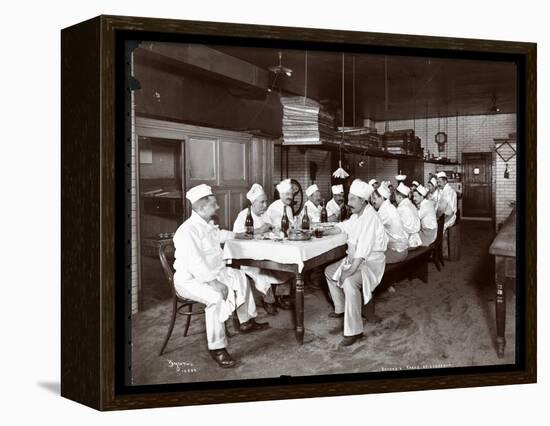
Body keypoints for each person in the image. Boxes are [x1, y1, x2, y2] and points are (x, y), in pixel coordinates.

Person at [173, 184, 269, 368]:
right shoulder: (187, 231)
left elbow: (219, 235)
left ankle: (246, 322)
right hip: (189, 280)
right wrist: (214, 283)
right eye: (214, 204)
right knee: (216, 298)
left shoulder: (205, 224)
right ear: (202, 207)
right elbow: (195, 262)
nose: (217, 207)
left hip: (212, 272)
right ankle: (217, 347)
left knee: (240, 277)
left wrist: (239, 235)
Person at [323, 180, 389, 347]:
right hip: (358, 259)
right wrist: (326, 230)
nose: (348, 203)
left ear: (362, 200)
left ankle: (355, 331)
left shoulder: (370, 217)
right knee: (329, 271)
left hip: (371, 262)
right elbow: (344, 226)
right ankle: (342, 308)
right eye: (349, 199)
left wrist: (350, 270)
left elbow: (363, 250)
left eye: (352, 199)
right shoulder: (357, 215)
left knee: (349, 281)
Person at [233, 184, 293, 314]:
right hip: (249, 258)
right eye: (262, 202)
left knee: (286, 267)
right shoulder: (243, 216)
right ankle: (268, 300)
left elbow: (272, 230)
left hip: (267, 254)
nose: (265, 205)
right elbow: (236, 237)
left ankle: (281, 296)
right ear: (253, 203)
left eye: (266, 201)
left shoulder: (265, 215)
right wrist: (260, 230)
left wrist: (276, 232)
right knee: (261, 275)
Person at [370, 181, 409, 263]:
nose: (373, 201)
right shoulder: (389, 207)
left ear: (382, 198)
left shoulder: (385, 211)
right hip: (402, 248)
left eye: (374, 198)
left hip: (397, 252)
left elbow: (372, 226)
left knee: (368, 260)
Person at [394, 182, 421, 248]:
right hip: (417, 241)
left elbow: (396, 226)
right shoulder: (412, 205)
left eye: (395, 197)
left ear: (400, 197)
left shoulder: (401, 208)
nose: (395, 199)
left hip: (409, 243)